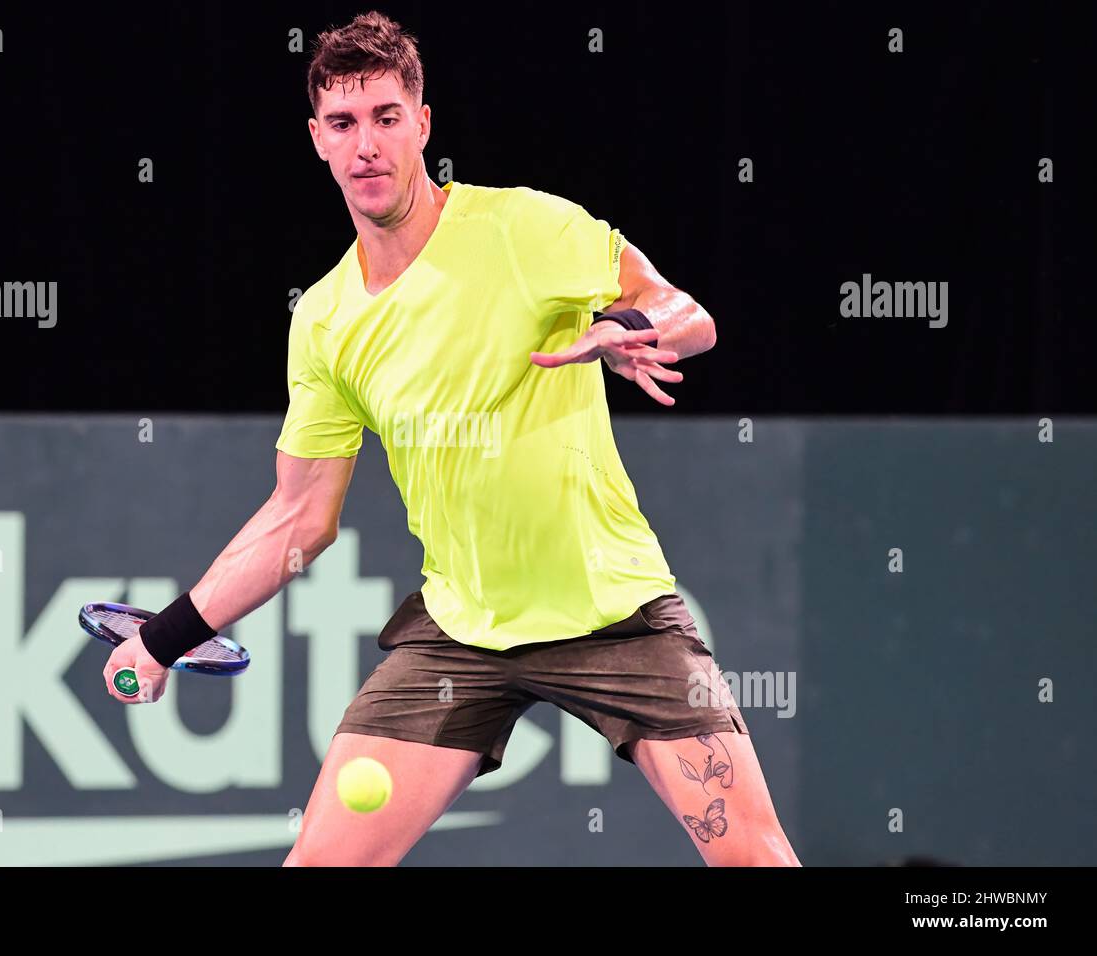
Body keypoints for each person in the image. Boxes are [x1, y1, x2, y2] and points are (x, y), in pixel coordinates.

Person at [103, 11, 799, 867]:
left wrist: (626, 324)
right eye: (344, 124)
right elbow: (298, 519)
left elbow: (690, 313)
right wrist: (164, 637)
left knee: (757, 860)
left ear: (423, 125)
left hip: (615, 613)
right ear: (317, 139)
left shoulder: (525, 229)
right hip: (460, 632)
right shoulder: (324, 320)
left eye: (387, 118)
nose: (367, 146)